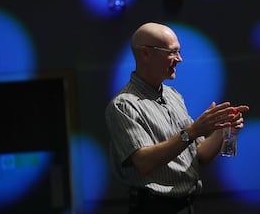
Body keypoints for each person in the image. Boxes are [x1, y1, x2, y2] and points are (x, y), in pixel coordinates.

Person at [105, 22, 249, 214]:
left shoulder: (173, 96)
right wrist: (192, 132)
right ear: (146, 53)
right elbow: (144, 162)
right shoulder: (125, 105)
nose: (179, 59)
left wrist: (224, 130)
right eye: (172, 52)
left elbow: (199, 156)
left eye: (179, 52)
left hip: (186, 205)